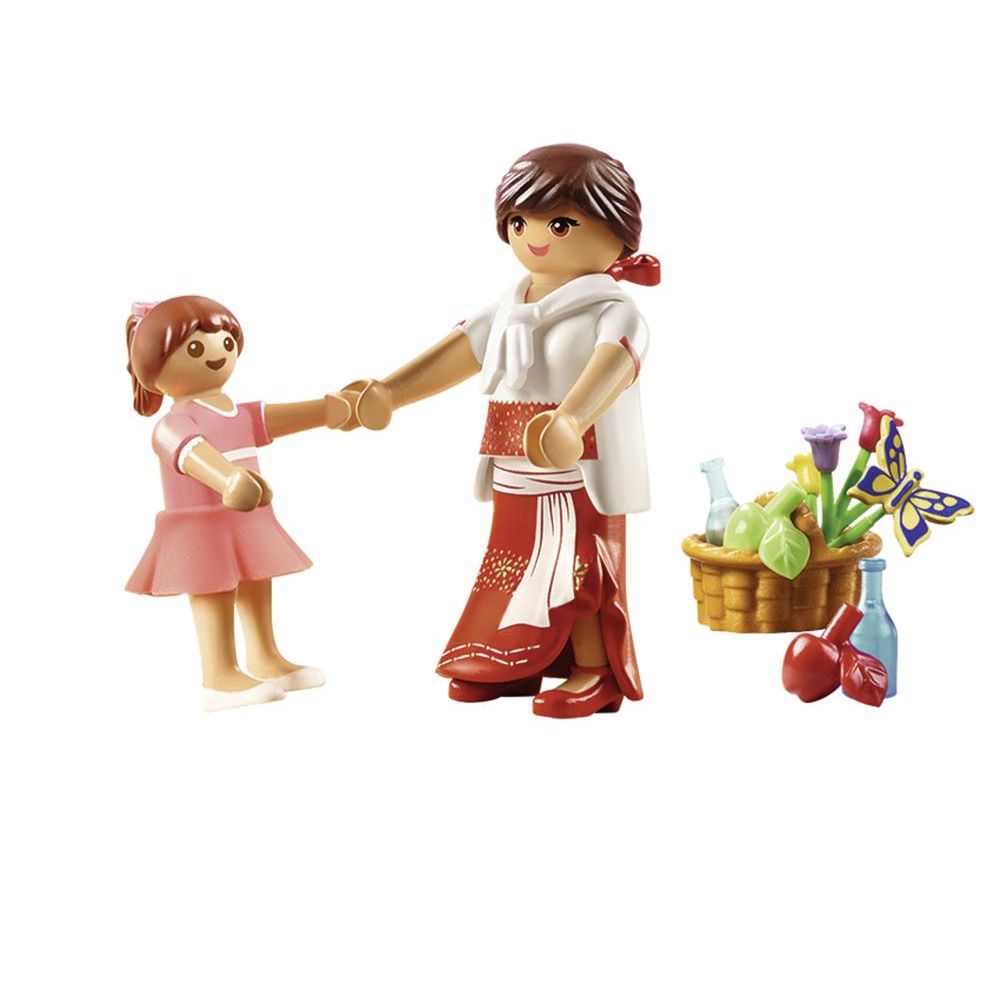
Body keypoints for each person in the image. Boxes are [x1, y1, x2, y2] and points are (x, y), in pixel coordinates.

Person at [338, 144, 659, 718]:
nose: (536, 238)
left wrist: (571, 418)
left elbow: (616, 363)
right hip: (513, 457)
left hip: (578, 462)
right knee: (512, 565)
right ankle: (515, 660)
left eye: (559, 224)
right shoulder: (507, 308)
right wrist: (390, 392)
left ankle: (594, 672)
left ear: (616, 232)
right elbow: (457, 351)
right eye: (519, 222)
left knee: (576, 568)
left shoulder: (612, 310)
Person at [125, 295, 350, 711]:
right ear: (153, 364)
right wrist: (227, 479)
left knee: (256, 582)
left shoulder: (235, 411)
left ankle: (265, 657)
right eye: (195, 347)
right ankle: (219, 674)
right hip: (201, 525)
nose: (217, 354)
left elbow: (276, 418)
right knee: (213, 589)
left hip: (247, 517)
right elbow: (191, 453)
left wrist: (329, 410)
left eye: (227, 343)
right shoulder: (174, 422)